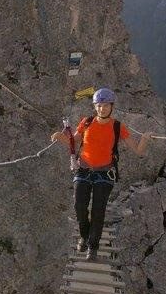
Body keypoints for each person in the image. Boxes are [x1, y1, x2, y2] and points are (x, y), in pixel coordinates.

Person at [51, 88, 151, 261]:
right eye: (99, 105)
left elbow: (138, 150)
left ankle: (93, 246)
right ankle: (84, 235)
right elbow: (74, 141)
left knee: (98, 211)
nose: (102, 109)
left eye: (105, 105)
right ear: (95, 106)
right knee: (79, 207)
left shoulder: (118, 126)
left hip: (105, 173)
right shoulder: (87, 122)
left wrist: (145, 139)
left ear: (111, 107)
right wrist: (60, 136)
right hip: (83, 169)